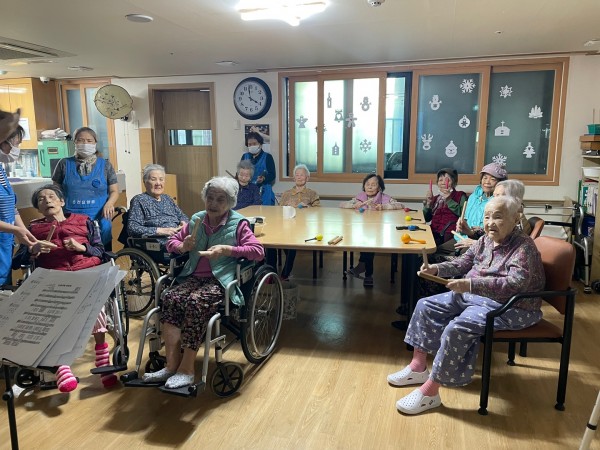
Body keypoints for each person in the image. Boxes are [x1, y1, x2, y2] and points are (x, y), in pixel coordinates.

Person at [387, 196, 545, 415]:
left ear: (515, 219)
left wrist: (471, 284)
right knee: (425, 305)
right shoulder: (485, 239)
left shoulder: (524, 246)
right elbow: (463, 262)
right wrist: (436, 269)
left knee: (457, 327)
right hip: (476, 296)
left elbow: (515, 284)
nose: (490, 223)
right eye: (487, 217)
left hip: (511, 306)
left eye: (498, 217)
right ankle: (417, 367)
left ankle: (431, 392)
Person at [142, 177, 264, 389]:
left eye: (220, 199)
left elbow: (258, 251)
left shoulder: (238, 224)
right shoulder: (197, 220)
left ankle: (187, 370)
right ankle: (171, 366)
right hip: (192, 276)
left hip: (221, 280)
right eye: (210, 198)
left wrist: (228, 250)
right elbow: (171, 243)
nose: (213, 203)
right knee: (170, 297)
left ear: (230, 202)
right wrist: (182, 246)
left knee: (196, 302)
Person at [13, 185, 119, 391]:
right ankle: (62, 365)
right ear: (38, 208)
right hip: (55, 280)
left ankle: (102, 358)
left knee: (95, 307)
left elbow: (100, 251)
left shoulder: (85, 221)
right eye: (41, 199)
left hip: (87, 274)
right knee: (57, 315)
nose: (47, 200)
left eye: (51, 196)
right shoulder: (33, 229)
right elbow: (19, 261)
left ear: (62, 201)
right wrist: (34, 249)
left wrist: (82, 248)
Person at [52, 127, 119, 248]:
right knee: (75, 253)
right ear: (74, 142)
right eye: (80, 140)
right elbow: (55, 192)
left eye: (89, 141)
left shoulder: (105, 165)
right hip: (70, 219)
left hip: (99, 217)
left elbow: (114, 191)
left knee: (102, 252)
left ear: (95, 143)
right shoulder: (64, 164)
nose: (85, 144)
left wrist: (109, 203)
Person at [340, 174, 405, 287]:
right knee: (365, 241)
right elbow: (342, 204)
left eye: (373, 185)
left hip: (379, 231)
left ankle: (367, 273)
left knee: (369, 243)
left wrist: (384, 207)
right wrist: (354, 205)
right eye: (367, 184)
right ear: (364, 186)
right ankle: (364, 269)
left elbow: (400, 205)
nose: (370, 187)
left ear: (379, 187)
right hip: (363, 229)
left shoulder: (384, 198)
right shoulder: (360, 197)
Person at [0, 125, 39, 286]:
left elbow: (11, 208)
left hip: (5, 243)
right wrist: (16, 230)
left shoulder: (1, 170)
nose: (17, 148)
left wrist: (24, 232)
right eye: (16, 143)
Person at [273, 164, 320, 280]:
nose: (299, 177)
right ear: (294, 178)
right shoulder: (286, 193)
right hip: (286, 226)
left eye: (302, 175)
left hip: (305, 227)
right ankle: (271, 272)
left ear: (307, 178)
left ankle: (285, 273)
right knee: (274, 242)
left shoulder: (312, 193)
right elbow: (279, 211)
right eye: (297, 175)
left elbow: (318, 211)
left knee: (291, 244)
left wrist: (307, 208)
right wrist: (288, 206)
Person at [127, 164, 189, 247]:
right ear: (145, 182)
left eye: (161, 179)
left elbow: (182, 215)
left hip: (178, 235)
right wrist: (160, 231)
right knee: (189, 246)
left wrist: (184, 222)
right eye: (153, 179)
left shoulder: (167, 198)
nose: (158, 183)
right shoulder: (139, 200)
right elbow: (132, 228)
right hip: (158, 242)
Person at [423, 168, 468, 245]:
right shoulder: (436, 198)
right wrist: (428, 204)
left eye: (447, 180)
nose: (443, 183)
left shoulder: (460, 195)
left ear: (454, 183)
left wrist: (449, 200)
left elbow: (464, 215)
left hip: (450, 234)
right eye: (440, 180)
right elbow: (426, 219)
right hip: (433, 232)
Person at [240, 131, 276, 205]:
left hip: (264, 192)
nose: (252, 146)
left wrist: (263, 178)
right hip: (247, 191)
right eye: (250, 144)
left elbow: (272, 175)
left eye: (254, 144)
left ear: (260, 144)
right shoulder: (244, 156)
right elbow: (240, 172)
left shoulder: (268, 157)